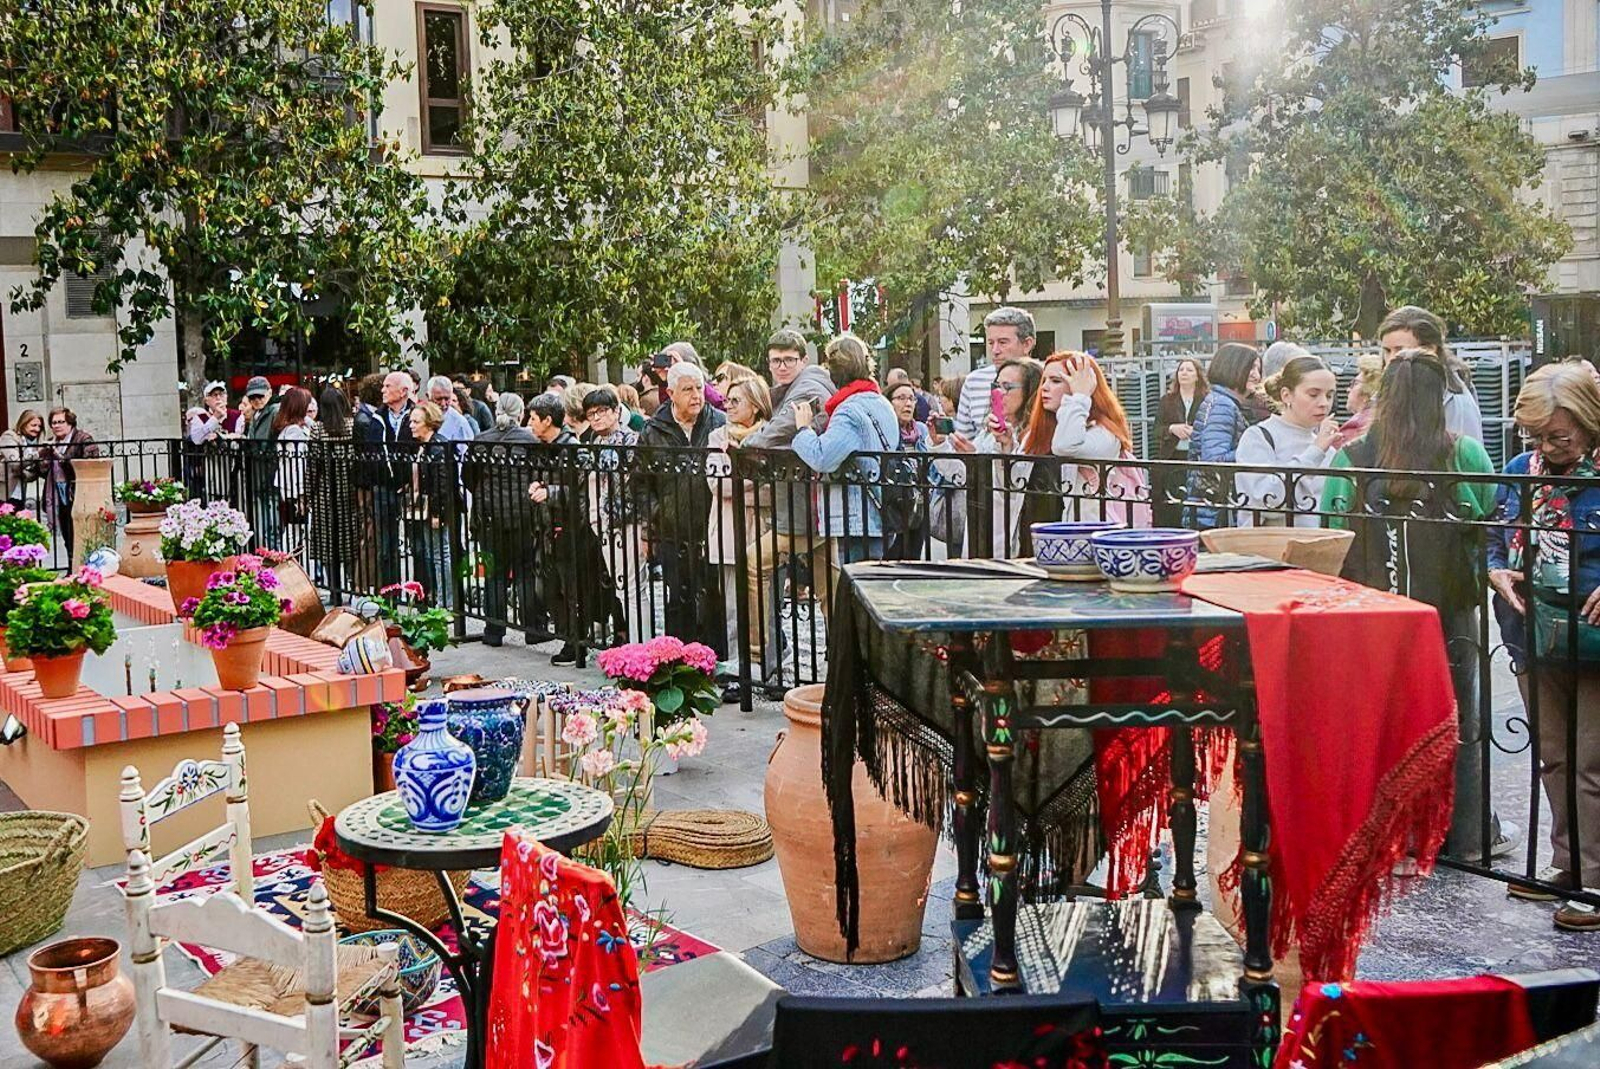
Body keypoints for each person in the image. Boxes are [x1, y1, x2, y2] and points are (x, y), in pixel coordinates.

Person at [1321, 352, 1505, 862]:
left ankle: (1384, 834)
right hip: (1448, 612)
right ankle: (1461, 837)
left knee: (1378, 720)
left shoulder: (1350, 457)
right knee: (1457, 720)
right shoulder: (1461, 452)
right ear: (1439, 400)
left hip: (1372, 613)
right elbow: (1487, 508)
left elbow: (1330, 528)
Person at [1488, 363, 1600, 928]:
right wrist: (1496, 570)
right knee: (1554, 756)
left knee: (1591, 764)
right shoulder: (1517, 471)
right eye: (1537, 438)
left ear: (1589, 422)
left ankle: (1595, 879)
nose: (1548, 448)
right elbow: (1492, 534)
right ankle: (1566, 865)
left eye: (1560, 436)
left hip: (1595, 640)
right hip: (1535, 632)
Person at [734, 328, 835, 683]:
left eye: (788, 360)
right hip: (806, 508)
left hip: (804, 509)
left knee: (753, 562)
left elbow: (777, 430)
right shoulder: (800, 386)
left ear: (803, 360)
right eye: (775, 361)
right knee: (827, 589)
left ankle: (759, 656)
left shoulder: (807, 387)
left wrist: (750, 440)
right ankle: (837, 663)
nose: (781, 366)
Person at [637, 363, 728, 660]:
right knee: (678, 597)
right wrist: (656, 515)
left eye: (700, 388)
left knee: (713, 596)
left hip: (712, 525)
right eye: (688, 389)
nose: (696, 395)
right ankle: (680, 660)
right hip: (672, 529)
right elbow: (640, 483)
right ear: (671, 393)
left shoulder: (719, 423)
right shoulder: (653, 430)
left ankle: (714, 658)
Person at [791, 333, 900, 577]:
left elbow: (823, 457)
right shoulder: (882, 403)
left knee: (857, 590)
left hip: (858, 516)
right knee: (871, 587)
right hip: (883, 509)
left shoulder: (849, 411)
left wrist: (803, 429)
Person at [939, 356, 1044, 557]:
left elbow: (1014, 485)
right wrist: (940, 446)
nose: (998, 393)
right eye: (996, 385)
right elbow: (961, 477)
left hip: (1012, 536)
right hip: (982, 528)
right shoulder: (988, 432)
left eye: (1007, 387)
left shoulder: (1035, 435)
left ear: (1029, 392)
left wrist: (1005, 449)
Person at [709, 376, 772, 689]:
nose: (728, 406)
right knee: (734, 605)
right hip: (727, 527)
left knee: (767, 604)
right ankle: (738, 669)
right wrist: (753, 476)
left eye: (737, 401)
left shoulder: (769, 435)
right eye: (727, 400)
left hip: (762, 527)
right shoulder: (716, 435)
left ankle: (769, 668)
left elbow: (773, 489)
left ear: (756, 404)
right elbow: (717, 485)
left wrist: (740, 478)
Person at [466, 392, 541, 648]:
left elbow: (469, 477)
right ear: (520, 413)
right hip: (522, 514)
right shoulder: (530, 440)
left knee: (493, 575)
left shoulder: (481, 440)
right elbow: (537, 474)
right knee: (525, 572)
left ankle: (494, 631)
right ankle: (532, 628)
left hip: (489, 515)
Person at [1234, 356, 1339, 527]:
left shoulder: (1328, 448)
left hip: (1319, 549)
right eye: (1313, 394)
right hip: (1270, 549)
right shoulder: (1258, 437)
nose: (1324, 403)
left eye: (1329, 395)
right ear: (1286, 395)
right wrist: (1315, 452)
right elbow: (1267, 501)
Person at [1378, 305, 1484, 443]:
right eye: (1387, 351)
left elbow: (1467, 459)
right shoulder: (1383, 394)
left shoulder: (1456, 403)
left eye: (1400, 350)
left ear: (1430, 350)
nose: (1392, 359)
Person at [1188, 343, 1263, 529]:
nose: (1257, 375)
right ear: (1233, 367)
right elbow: (1214, 460)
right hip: (1215, 513)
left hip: (1212, 510)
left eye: (1258, 368)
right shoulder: (1223, 405)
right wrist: (1253, 449)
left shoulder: (1223, 402)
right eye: (1251, 368)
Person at [355, 371, 415, 587]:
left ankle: (422, 595)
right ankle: (390, 592)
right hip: (383, 487)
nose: (383, 390)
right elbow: (371, 453)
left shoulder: (416, 415)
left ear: (404, 391)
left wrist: (409, 480)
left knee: (418, 546)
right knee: (385, 545)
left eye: (388, 386)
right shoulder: (377, 419)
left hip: (411, 488)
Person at [955, 307, 1038, 438]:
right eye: (990, 343)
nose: (995, 350)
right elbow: (963, 440)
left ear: (1027, 344)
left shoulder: (1047, 379)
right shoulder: (974, 382)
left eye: (1003, 342)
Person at [307, 386, 357, 598]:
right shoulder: (352, 426)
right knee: (350, 540)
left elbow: (312, 466)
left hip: (325, 492)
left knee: (328, 543)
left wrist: (308, 494)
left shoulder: (318, 429)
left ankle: (335, 590)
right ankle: (353, 587)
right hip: (349, 489)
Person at [407, 402, 457, 608]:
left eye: (416, 421)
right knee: (430, 553)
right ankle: (438, 597)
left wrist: (438, 513)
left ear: (429, 424)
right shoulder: (422, 447)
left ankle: (446, 601)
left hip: (435, 508)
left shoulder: (437, 447)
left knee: (440, 554)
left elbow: (442, 484)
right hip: (424, 507)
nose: (411, 425)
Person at [40, 407, 99, 559]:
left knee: (79, 530)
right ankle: (71, 563)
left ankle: (83, 564)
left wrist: (60, 457)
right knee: (67, 531)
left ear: (70, 423)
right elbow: (43, 472)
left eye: (61, 422)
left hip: (77, 491)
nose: (56, 426)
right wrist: (44, 458)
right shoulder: (53, 442)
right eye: (53, 423)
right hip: (58, 492)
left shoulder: (83, 439)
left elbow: (88, 464)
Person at [1155, 358, 1208, 526]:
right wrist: (1172, 428)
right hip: (1172, 457)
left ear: (1198, 376)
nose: (1184, 373)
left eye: (1189, 370)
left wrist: (1196, 432)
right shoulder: (1167, 400)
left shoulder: (1207, 400)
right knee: (1172, 502)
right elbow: (1156, 429)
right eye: (1181, 370)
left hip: (1197, 458)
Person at [883, 377, 930, 561]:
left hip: (918, 507)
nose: (908, 403)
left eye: (911, 398)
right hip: (895, 506)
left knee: (913, 560)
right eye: (901, 398)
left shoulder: (922, 430)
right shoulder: (887, 430)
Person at [272, 387, 316, 543]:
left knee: (294, 530)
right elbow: (296, 464)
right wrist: (302, 493)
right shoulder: (294, 431)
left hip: (289, 487)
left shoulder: (289, 428)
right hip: (294, 489)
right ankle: (287, 562)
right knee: (294, 531)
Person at [1333, 354, 1384, 449]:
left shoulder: (1356, 427)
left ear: (1369, 390)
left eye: (1355, 383)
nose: (1348, 389)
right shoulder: (1382, 419)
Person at [0, 409, 43, 509]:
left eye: (39, 426)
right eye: (33, 425)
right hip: (4, 491)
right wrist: (38, 454)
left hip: (20, 491)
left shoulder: (32, 444)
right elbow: (15, 463)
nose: (37, 429)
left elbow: (33, 474)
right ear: (23, 424)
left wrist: (24, 473)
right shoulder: (9, 437)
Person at [425, 375, 479, 443]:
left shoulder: (459, 422)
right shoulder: (417, 417)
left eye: (447, 399)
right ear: (428, 396)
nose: (443, 404)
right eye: (438, 399)